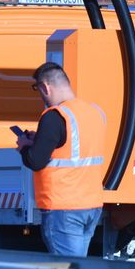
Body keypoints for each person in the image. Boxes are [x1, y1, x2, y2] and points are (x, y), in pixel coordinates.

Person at [16, 62, 107, 257]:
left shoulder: (54, 116)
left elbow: (35, 161)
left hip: (63, 208)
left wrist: (24, 147)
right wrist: (39, 140)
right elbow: (71, 147)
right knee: (79, 265)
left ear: (45, 87)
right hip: (91, 205)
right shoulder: (94, 112)